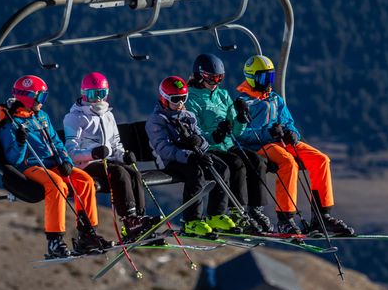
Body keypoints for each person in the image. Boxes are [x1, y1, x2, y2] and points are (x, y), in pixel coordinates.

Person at [233, 55, 355, 236]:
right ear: (251, 77)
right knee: (288, 163)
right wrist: (269, 134)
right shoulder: (243, 103)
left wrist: (292, 134)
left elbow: (288, 123)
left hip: (280, 141)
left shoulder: (276, 99)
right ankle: (285, 218)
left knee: (320, 160)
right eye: (263, 78)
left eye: (270, 77)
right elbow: (240, 135)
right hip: (259, 145)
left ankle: (322, 217)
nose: (267, 82)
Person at [0, 75, 111, 259]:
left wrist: (66, 160)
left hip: (52, 163)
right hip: (29, 166)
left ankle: (87, 234)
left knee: (85, 180)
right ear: (28, 97)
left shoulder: (41, 116)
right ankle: (55, 240)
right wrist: (20, 142)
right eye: (40, 98)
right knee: (57, 185)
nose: (42, 102)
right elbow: (14, 158)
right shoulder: (10, 122)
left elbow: (56, 142)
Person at [185, 53, 272, 234]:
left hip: (227, 145)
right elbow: (195, 131)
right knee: (236, 164)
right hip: (210, 148)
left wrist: (240, 118)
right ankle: (235, 212)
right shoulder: (191, 99)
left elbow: (236, 131)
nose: (216, 82)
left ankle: (255, 210)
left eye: (220, 78)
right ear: (200, 76)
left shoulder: (222, 95)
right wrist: (216, 134)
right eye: (212, 78)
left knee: (257, 161)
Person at [63, 72, 155, 240]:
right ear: (84, 93)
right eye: (93, 94)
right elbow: (71, 151)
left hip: (107, 160)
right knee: (119, 173)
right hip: (86, 165)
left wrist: (123, 156)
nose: (98, 99)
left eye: (101, 94)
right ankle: (129, 219)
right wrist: (93, 153)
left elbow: (115, 144)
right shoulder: (75, 118)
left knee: (133, 173)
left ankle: (140, 218)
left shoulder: (108, 115)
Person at [145, 76, 237, 237]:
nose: (180, 103)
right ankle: (191, 221)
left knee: (221, 167)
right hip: (171, 161)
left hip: (192, 157)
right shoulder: (157, 120)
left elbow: (203, 140)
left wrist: (199, 142)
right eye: (175, 99)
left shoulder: (188, 115)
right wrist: (189, 156)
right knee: (196, 172)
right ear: (164, 99)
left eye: (183, 98)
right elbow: (164, 149)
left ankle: (216, 214)